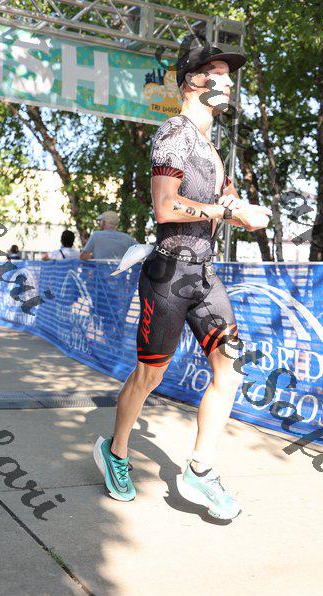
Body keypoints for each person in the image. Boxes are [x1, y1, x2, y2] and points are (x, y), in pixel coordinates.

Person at [93, 42, 271, 519]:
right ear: (191, 81)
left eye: (229, 74)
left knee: (230, 369)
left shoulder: (212, 147)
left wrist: (243, 211)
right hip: (168, 274)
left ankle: (199, 469)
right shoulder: (174, 133)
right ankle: (116, 451)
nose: (228, 81)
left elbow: (225, 204)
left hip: (204, 275)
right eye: (217, 72)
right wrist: (223, 212)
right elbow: (165, 207)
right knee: (150, 375)